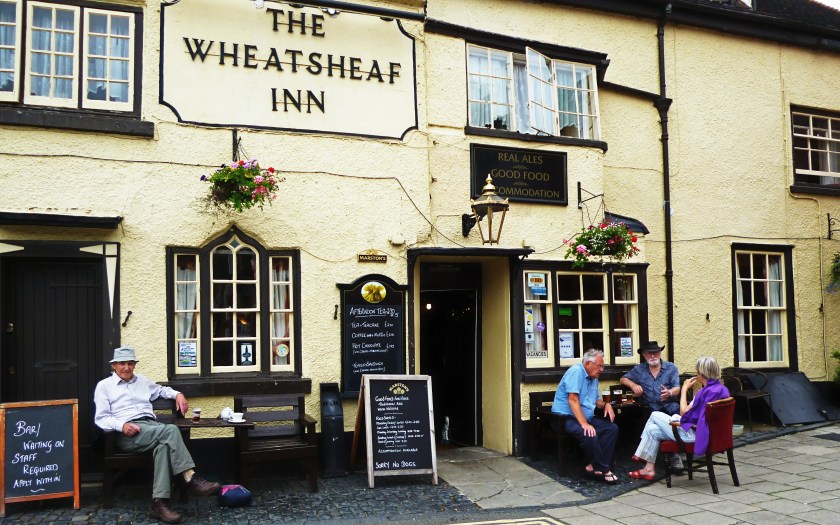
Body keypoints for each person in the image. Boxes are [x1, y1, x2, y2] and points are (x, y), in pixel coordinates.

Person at [95, 347, 221, 523]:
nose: (126, 367)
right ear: (114, 365)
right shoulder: (104, 386)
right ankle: (190, 477)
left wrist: (178, 394)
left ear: (134, 365)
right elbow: (101, 418)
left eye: (130, 363)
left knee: (163, 447)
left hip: (151, 428)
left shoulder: (142, 382)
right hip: (128, 434)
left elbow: (162, 391)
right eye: (122, 363)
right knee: (170, 430)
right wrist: (121, 425)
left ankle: (159, 503)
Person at [628, 356, 730, 481]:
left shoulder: (704, 392)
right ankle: (648, 469)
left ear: (701, 373)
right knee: (653, 430)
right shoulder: (721, 389)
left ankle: (641, 454)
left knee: (654, 415)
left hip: (694, 435)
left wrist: (684, 389)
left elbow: (683, 413)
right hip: (713, 434)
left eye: (697, 371)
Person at [552, 348, 619, 484]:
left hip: (584, 417)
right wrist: (584, 424)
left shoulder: (594, 377)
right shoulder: (576, 371)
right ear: (588, 364)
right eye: (599, 366)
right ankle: (604, 470)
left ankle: (594, 466)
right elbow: (573, 399)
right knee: (589, 433)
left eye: (603, 366)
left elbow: (594, 400)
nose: (602, 369)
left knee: (611, 429)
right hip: (564, 418)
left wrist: (606, 404)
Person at [620, 341, 681, 415]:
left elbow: (677, 388)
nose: (652, 356)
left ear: (660, 353)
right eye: (649, 353)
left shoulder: (671, 368)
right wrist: (633, 385)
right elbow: (623, 379)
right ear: (644, 355)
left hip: (669, 407)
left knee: (681, 420)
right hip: (648, 409)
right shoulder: (639, 369)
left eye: (655, 352)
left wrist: (669, 392)